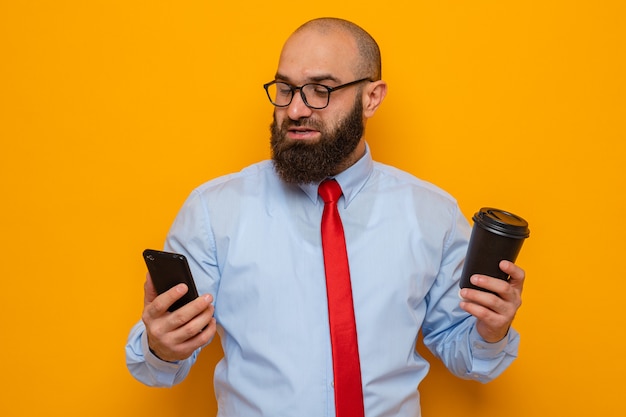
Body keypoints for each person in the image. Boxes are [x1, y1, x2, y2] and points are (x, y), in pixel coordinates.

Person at [126, 17, 525, 417]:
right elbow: (158, 367)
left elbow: (465, 352)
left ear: (372, 97)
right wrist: (161, 345)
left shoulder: (432, 214)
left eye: (321, 90)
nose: (296, 109)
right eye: (284, 89)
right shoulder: (214, 211)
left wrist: (491, 332)